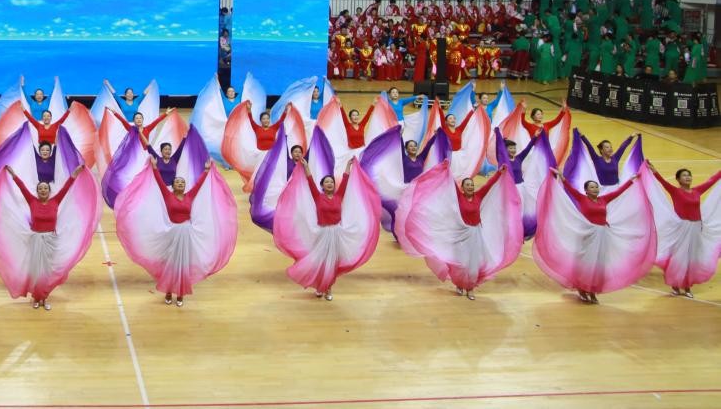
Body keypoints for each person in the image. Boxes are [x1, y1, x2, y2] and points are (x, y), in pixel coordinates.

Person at [114, 157, 236, 306]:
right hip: (172, 232)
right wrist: (154, 167)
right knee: (170, 264)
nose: (180, 184)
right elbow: (159, 182)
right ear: (173, 185)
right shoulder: (168, 195)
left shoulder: (190, 195)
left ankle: (180, 295)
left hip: (186, 233)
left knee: (183, 265)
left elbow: (199, 184)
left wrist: (206, 170)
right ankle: (168, 292)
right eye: (178, 182)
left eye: (183, 183)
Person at [395, 167, 521, 299]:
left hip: (475, 234)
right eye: (468, 185)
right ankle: (459, 284)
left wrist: (499, 173)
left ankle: (470, 288)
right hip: (460, 235)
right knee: (461, 264)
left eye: (472, 185)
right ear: (463, 188)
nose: (470, 187)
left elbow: (489, 184)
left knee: (473, 264)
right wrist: (446, 169)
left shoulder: (478, 195)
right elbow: (451, 183)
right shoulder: (459, 196)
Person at [533, 169, 654, 303]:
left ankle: (593, 290)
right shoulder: (581, 198)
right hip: (588, 234)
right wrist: (561, 177)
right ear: (586, 190)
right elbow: (569, 189)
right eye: (592, 187)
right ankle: (582, 288)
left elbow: (619, 192)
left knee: (598, 264)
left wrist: (631, 180)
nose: (595, 189)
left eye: (596, 187)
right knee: (586, 263)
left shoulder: (604, 199)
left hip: (602, 235)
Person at [0, 164, 96, 310]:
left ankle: (43, 298)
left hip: (51, 241)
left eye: (45, 188)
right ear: (37, 191)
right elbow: (21, 187)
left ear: (49, 191)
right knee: (37, 273)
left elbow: (67, 186)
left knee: (47, 273)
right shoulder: (32, 201)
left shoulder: (56, 201)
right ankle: (37, 298)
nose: (43, 190)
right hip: (36, 240)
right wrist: (12, 174)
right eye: (40, 189)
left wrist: (76, 172)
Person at [273, 158, 381, 300]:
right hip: (322, 233)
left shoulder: (339, 196)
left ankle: (328, 289)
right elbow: (310, 180)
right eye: (327, 182)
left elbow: (345, 180)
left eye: (331, 182)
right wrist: (306, 167)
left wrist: (348, 166)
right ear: (322, 186)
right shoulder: (318, 197)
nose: (330, 183)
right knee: (321, 263)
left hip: (336, 233)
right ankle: (320, 287)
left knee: (332, 264)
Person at [643, 161, 721, 297]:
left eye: (689, 175)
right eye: (684, 175)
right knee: (679, 257)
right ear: (678, 179)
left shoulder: (697, 191)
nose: (688, 177)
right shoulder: (675, 191)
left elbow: (712, 180)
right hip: (682, 228)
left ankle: (687, 287)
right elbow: (662, 182)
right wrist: (653, 170)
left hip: (696, 228)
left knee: (691, 258)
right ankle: (675, 285)